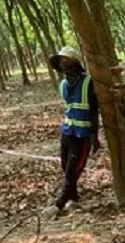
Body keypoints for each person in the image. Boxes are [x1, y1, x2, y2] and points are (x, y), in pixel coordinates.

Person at [43, 46, 101, 217]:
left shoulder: (88, 82)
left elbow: (93, 111)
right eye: (61, 61)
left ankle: (59, 204)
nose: (63, 63)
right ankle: (73, 199)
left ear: (75, 62)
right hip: (67, 131)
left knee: (72, 170)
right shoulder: (63, 84)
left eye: (66, 60)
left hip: (82, 135)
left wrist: (94, 136)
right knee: (65, 166)